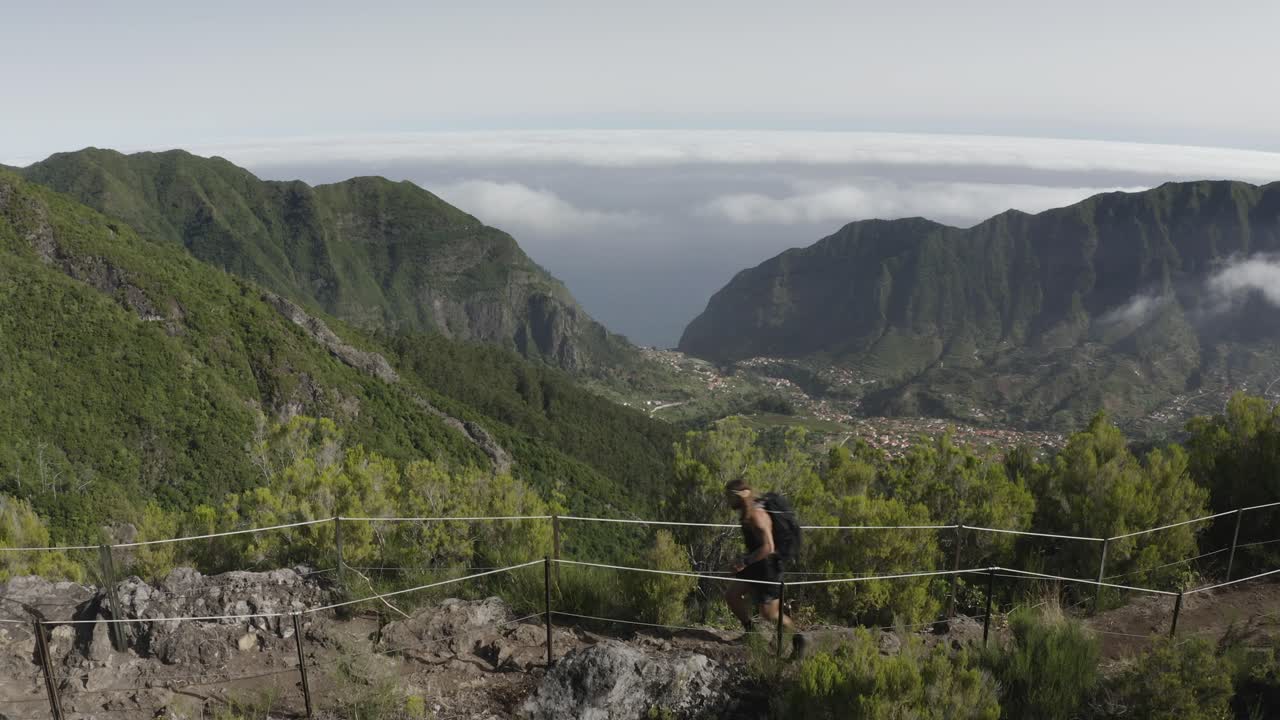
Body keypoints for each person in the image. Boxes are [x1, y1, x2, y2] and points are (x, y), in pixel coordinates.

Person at [723, 478, 806, 655]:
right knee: (732, 596)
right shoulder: (747, 513)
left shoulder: (757, 516)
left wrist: (745, 561)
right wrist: (744, 560)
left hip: (768, 569)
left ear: (740, 497)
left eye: (729, 496)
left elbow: (768, 546)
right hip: (755, 565)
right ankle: (751, 633)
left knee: (770, 614)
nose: (728, 501)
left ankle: (798, 639)